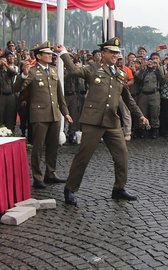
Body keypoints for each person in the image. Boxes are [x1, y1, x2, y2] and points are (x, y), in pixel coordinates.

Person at [55, 37, 150, 206]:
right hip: (93, 121)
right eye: (112, 52)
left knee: (122, 156)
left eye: (117, 53)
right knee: (83, 157)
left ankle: (119, 188)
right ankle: (70, 189)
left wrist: (140, 116)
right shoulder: (93, 68)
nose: (115, 55)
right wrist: (63, 53)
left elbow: (128, 100)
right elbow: (74, 70)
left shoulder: (120, 74)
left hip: (112, 121)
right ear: (103, 53)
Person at [14, 41, 73, 189]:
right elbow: (16, 88)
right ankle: (37, 177)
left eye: (51, 54)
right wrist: (23, 75)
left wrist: (65, 113)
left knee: (53, 146)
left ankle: (50, 173)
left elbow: (60, 95)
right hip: (39, 114)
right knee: (38, 147)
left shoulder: (53, 71)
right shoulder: (32, 71)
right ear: (39, 56)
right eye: (47, 54)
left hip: (54, 114)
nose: (50, 56)